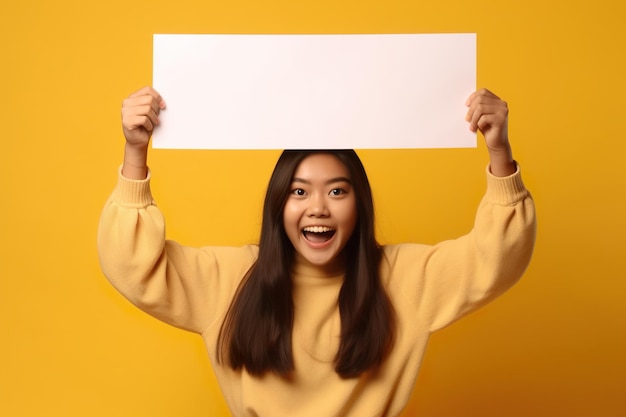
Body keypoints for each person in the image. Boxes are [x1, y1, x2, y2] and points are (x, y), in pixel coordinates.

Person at [98, 86, 536, 416]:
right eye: (300, 191)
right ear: (278, 204)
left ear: (359, 204)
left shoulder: (403, 277)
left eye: (337, 191)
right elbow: (132, 263)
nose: (318, 207)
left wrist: (499, 150)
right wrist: (135, 151)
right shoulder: (230, 278)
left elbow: (497, 255)